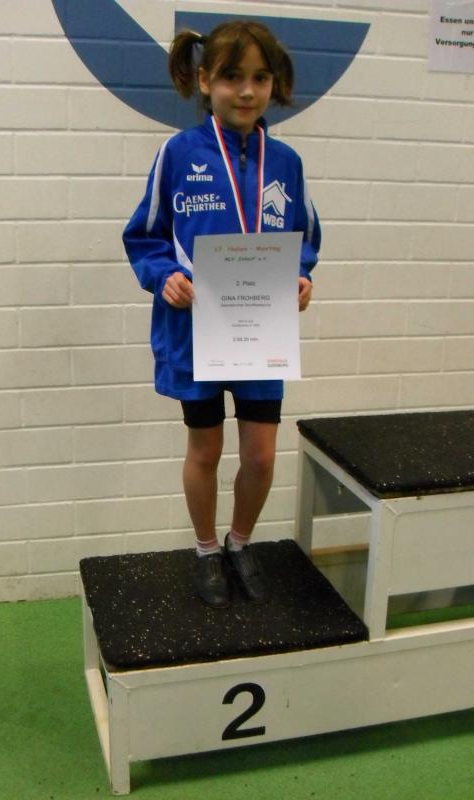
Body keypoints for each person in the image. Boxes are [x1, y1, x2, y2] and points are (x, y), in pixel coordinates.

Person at [123, 20, 320, 609]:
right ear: (206, 80)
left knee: (260, 455)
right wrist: (165, 277)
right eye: (233, 77)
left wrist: (301, 277)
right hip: (195, 334)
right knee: (205, 452)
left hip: (260, 335)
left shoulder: (286, 162)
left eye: (260, 78)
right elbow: (145, 236)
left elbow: (304, 238)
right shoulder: (177, 154)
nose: (247, 91)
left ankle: (240, 542)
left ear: (274, 84)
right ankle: (207, 549)